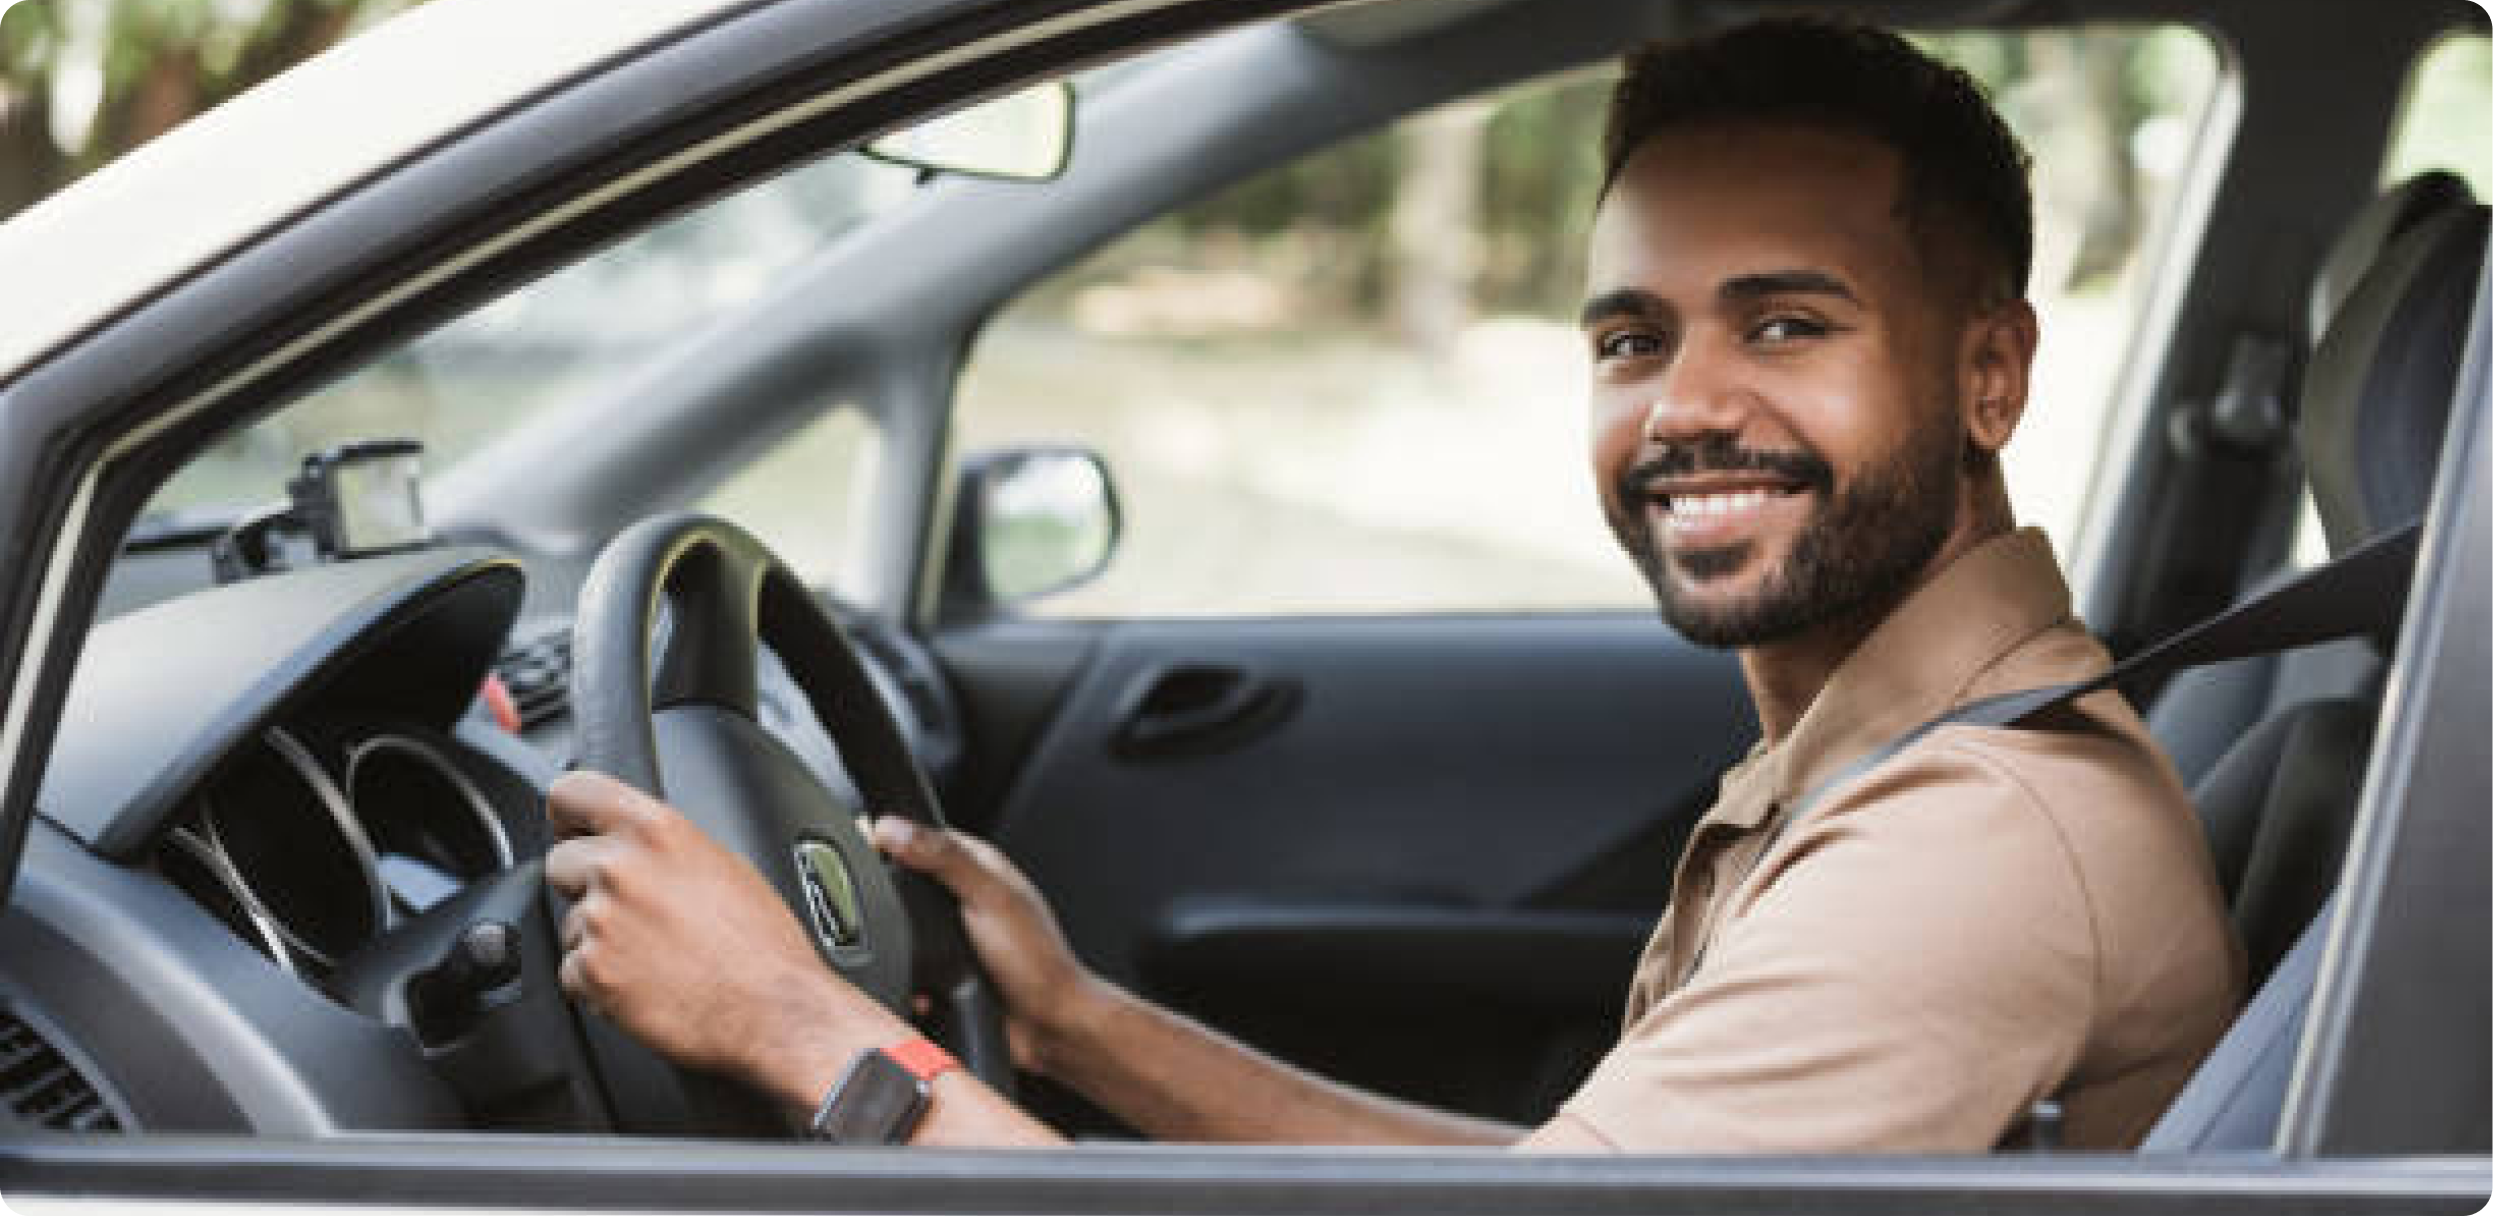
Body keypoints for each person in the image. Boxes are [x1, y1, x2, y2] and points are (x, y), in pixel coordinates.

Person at [542, 16, 2243, 1152]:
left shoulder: (1973, 841)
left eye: (1788, 324)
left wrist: (788, 1021)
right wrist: (1071, 1026)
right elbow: (1560, 1187)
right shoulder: (1890, 758)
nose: (1689, 407)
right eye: (1633, 338)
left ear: (1990, 378)